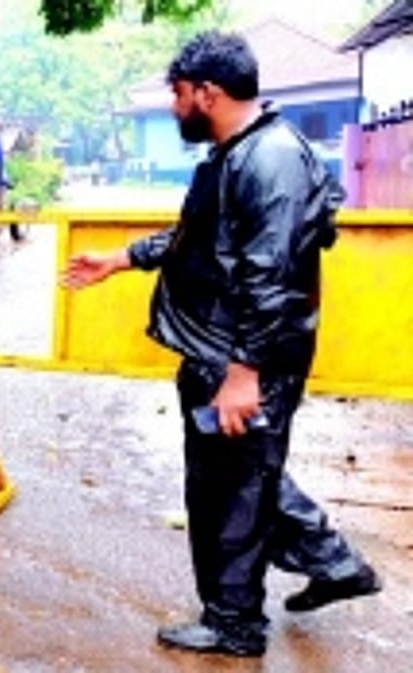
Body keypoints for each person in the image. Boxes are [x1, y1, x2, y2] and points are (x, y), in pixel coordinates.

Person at [62, 32, 380, 658]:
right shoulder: (238, 152)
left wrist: (243, 373)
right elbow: (198, 240)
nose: (175, 107)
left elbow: (273, 278)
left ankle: (234, 625)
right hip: (221, 349)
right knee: (242, 477)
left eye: (179, 94)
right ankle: (331, 560)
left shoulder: (270, 162)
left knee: (229, 493)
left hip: (242, 355)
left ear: (207, 92)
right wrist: (121, 259)